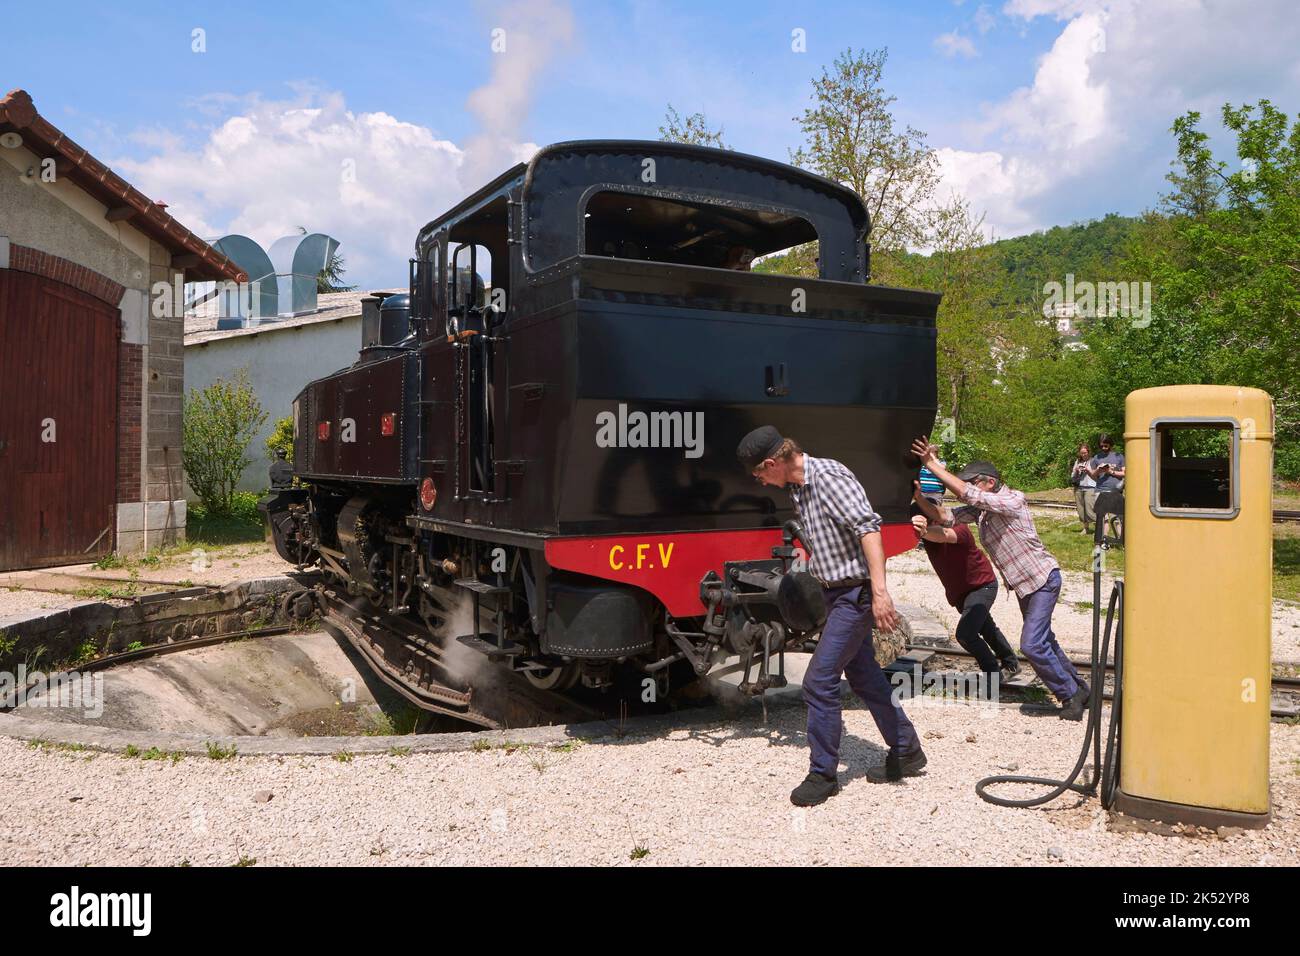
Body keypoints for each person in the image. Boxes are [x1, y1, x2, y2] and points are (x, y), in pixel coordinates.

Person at [737, 425, 926, 806]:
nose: (760, 481)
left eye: (759, 473)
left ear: (772, 462)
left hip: (853, 595)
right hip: (834, 593)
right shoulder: (797, 488)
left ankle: (823, 774)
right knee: (865, 676)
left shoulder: (830, 477)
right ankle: (906, 749)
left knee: (818, 682)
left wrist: (879, 592)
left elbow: (869, 531)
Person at [909, 437, 1091, 721]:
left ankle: (1068, 695)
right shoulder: (982, 512)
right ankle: (1080, 688)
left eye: (974, 483)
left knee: (1031, 644)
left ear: (989, 483)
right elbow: (946, 517)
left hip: (1042, 579)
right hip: (1025, 586)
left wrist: (931, 464)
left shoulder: (1011, 499)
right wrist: (920, 500)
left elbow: (971, 496)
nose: (968, 489)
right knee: (1046, 640)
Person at [910, 489, 1020, 687]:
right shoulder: (926, 534)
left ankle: (993, 676)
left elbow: (945, 536)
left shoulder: (959, 527)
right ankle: (1011, 663)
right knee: (986, 628)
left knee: (966, 634)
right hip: (961, 592)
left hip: (981, 585)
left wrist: (924, 531)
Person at [1087, 434, 1125, 538]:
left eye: (1106, 446)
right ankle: (1104, 539)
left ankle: (1120, 539)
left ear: (1111, 445)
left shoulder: (1119, 456)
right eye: (1101, 446)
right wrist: (1098, 470)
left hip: (1115, 490)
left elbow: (1125, 473)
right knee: (1103, 517)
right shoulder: (1096, 458)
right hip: (1100, 490)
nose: (1103, 448)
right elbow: (1093, 476)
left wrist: (1110, 471)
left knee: (1116, 517)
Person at [1069, 443, 1097, 534]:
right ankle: (1085, 528)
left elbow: (1097, 474)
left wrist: (1088, 470)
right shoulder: (1077, 461)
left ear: (1088, 452)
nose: (1083, 454)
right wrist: (1077, 470)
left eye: (1085, 452)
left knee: (1090, 509)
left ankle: (1098, 528)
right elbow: (1072, 475)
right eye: (1082, 453)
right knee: (1081, 509)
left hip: (1090, 487)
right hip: (1079, 487)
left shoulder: (1093, 461)